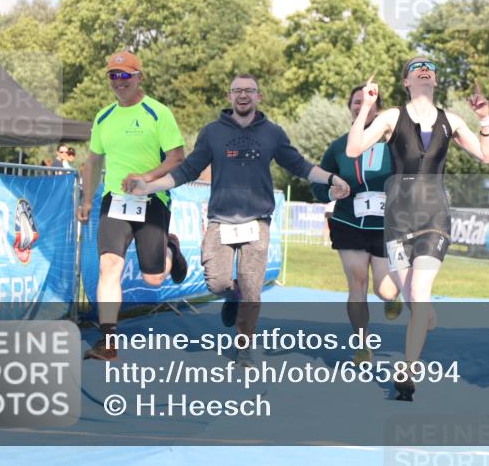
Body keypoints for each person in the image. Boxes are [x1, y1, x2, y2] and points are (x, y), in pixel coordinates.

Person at [126, 73, 351, 367]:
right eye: (237, 91)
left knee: (252, 290)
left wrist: (333, 178)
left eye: (249, 91)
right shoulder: (212, 132)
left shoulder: (273, 133)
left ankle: (244, 348)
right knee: (217, 282)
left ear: (259, 97)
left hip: (257, 221)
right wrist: (148, 186)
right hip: (221, 220)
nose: (243, 95)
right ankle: (231, 295)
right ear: (229, 96)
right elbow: (187, 170)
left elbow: (300, 166)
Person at [346, 57, 489, 400]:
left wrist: (484, 119)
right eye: (417, 67)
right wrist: (367, 105)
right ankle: (421, 313)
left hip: (434, 218)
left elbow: (486, 157)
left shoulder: (451, 120)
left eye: (429, 67)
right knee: (414, 300)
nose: (424, 69)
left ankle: (408, 370)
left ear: (435, 81)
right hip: (397, 220)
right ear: (406, 82)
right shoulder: (391, 117)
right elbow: (354, 148)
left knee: (419, 292)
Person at [77, 51, 188, 361]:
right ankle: (108, 342)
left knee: (153, 278)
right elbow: (95, 160)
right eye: (113, 75)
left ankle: (170, 249)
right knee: (109, 265)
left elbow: (177, 157)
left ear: (139, 76)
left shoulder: (158, 113)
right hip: (115, 200)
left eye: (125, 75)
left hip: (152, 198)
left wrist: (146, 177)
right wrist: (87, 200)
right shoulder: (104, 117)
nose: (119, 81)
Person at [312, 85, 403, 365]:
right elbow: (318, 184)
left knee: (384, 289)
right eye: (355, 102)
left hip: (387, 227)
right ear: (350, 107)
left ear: (379, 108)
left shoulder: (395, 145)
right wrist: (330, 191)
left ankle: (392, 298)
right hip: (348, 222)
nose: (360, 106)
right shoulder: (339, 147)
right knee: (357, 283)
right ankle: (362, 344)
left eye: (367, 102)